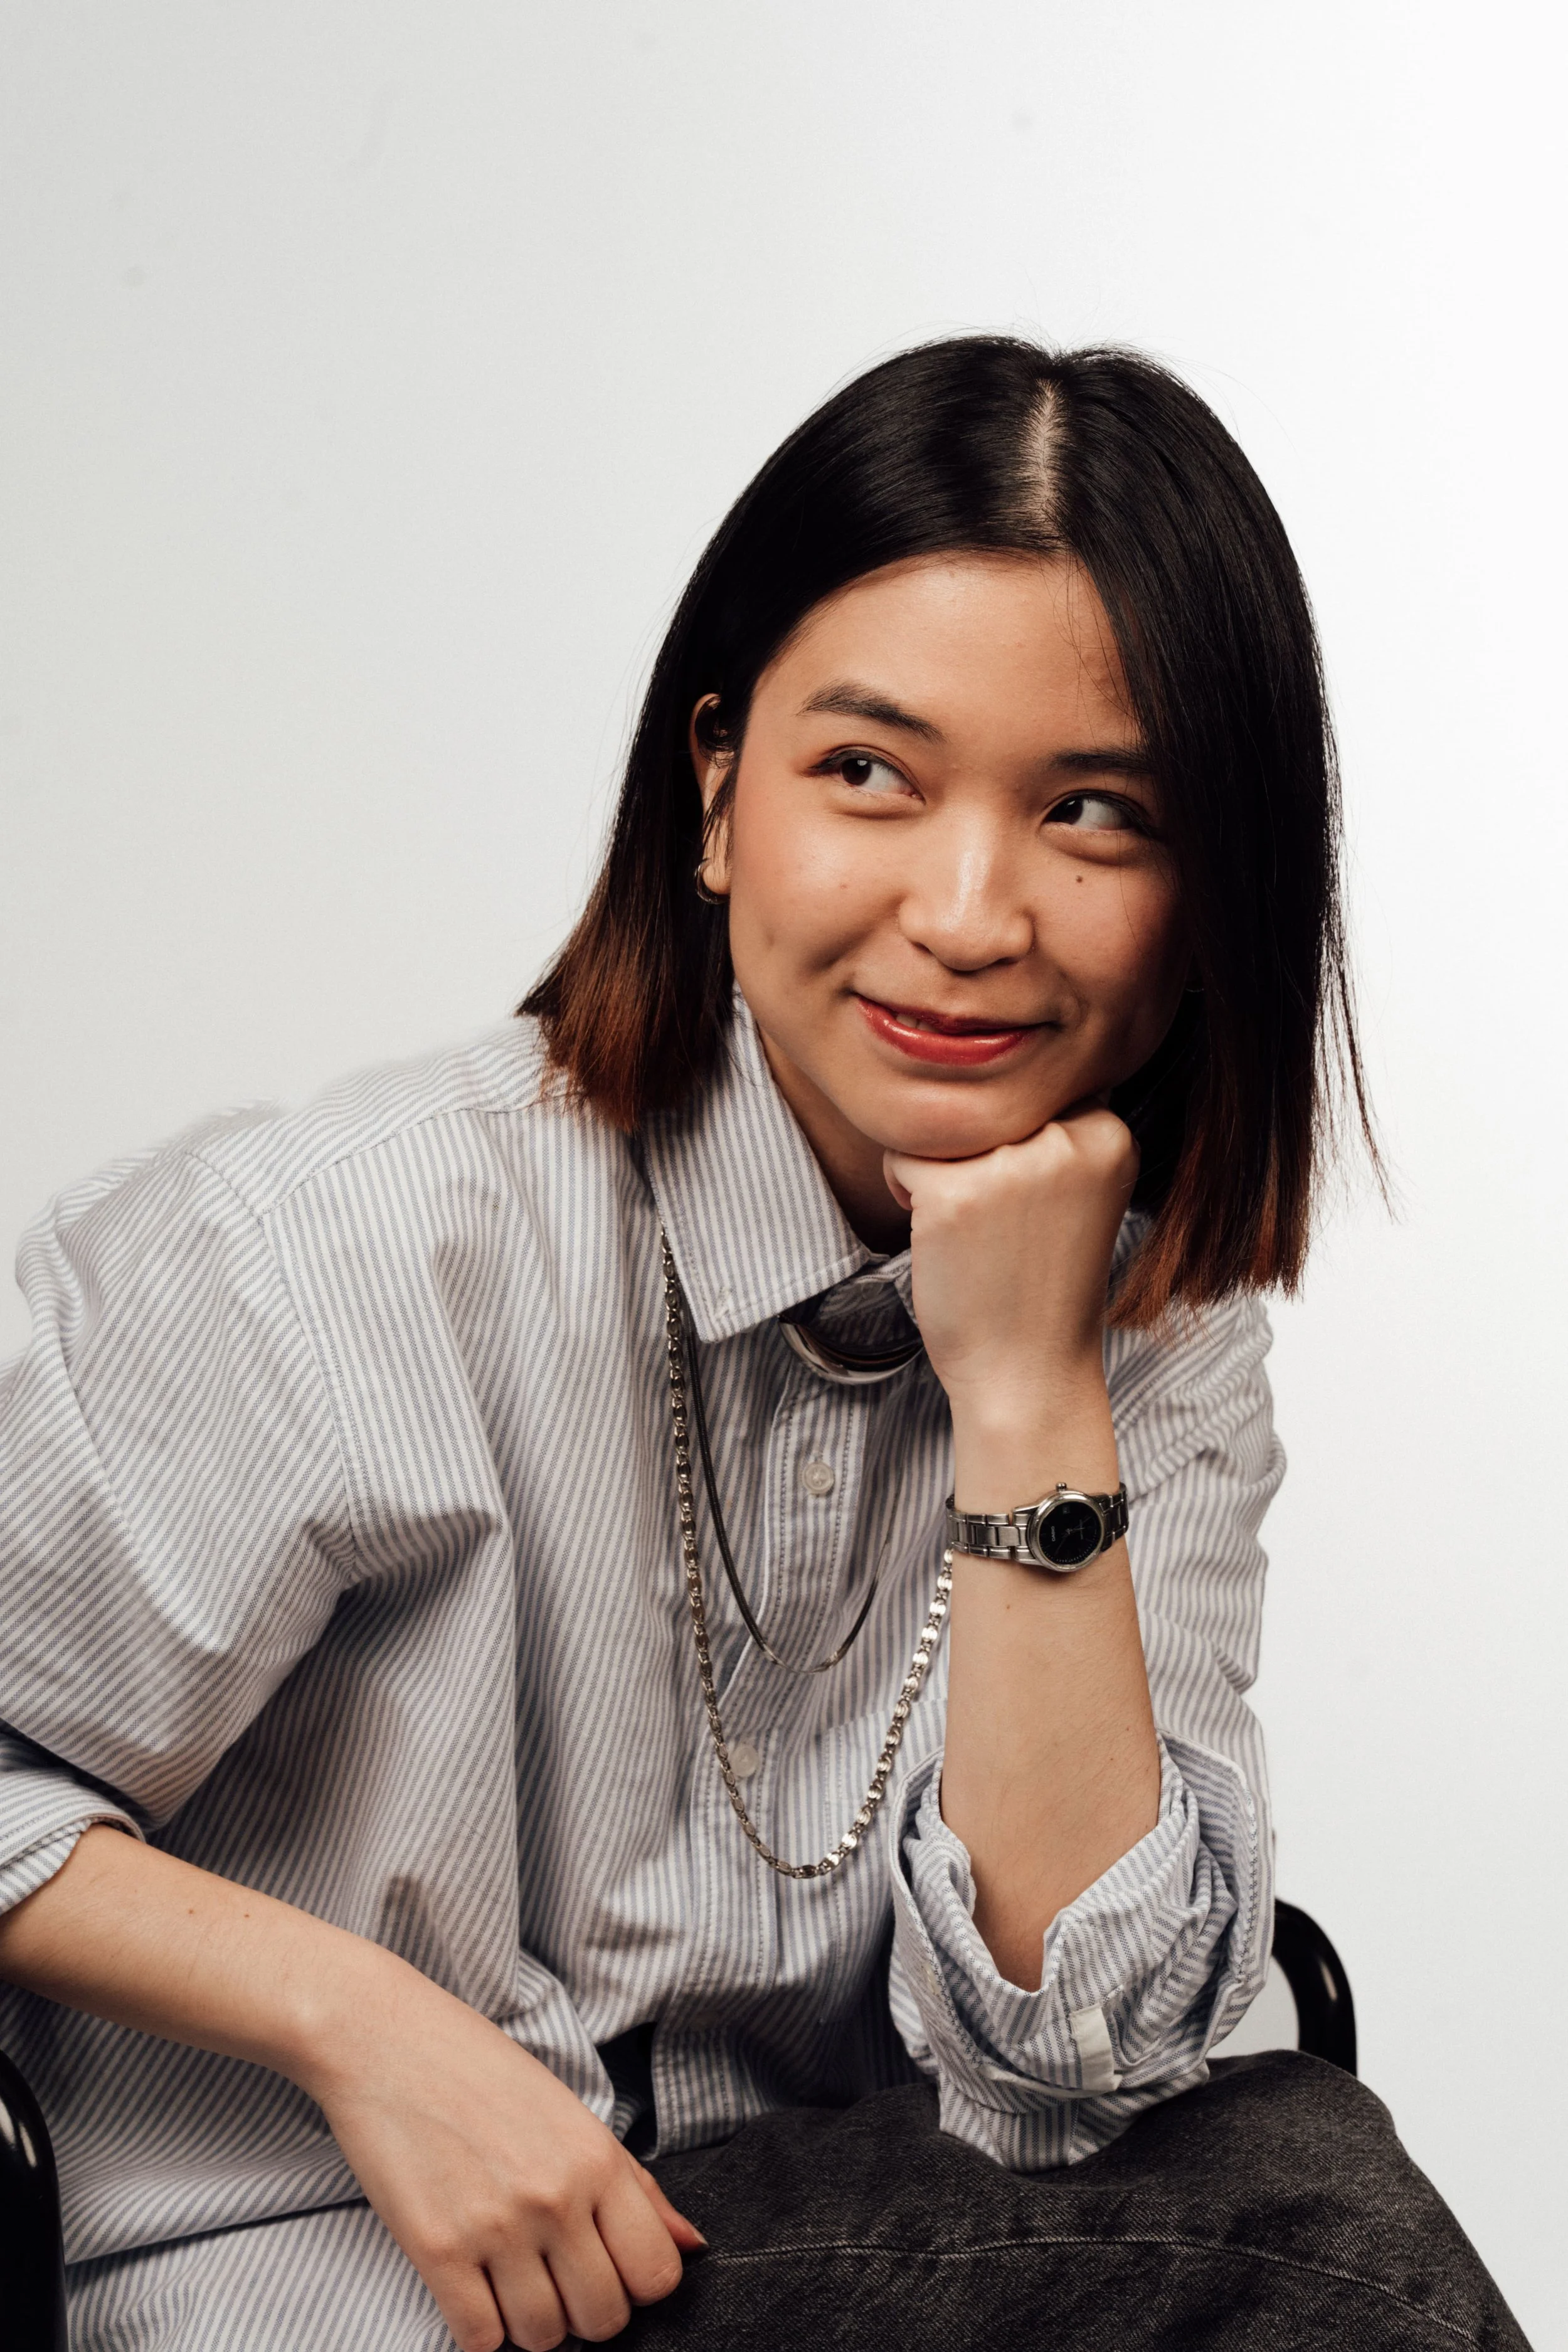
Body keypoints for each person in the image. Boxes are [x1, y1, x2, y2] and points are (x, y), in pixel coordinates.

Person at [0, 338, 1526, 2351]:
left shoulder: (1151, 1330)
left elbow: (1072, 2069)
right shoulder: (346, 1241)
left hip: (810, 2263)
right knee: (1308, 2248)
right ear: (717, 790)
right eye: (868, 774)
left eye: (1092, 811)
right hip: (339, 2273)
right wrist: (363, 2021)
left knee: (1286, 2188)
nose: (970, 912)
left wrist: (1025, 1385)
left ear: (1213, 888)